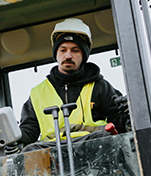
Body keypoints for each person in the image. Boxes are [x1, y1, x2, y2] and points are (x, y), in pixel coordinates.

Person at [15, 18, 130, 149]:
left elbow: (120, 124)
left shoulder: (100, 87)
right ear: (56, 53)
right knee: (30, 151)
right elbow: (29, 132)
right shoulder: (37, 94)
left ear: (84, 55)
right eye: (63, 50)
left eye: (75, 50)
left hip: (96, 153)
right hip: (52, 157)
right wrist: (14, 139)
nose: (68, 56)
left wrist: (128, 115)